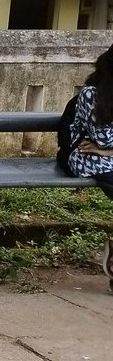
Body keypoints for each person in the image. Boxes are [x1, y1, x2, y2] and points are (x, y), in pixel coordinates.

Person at [66, 45, 113, 287]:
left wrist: (106, 149)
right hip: (88, 159)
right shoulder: (91, 94)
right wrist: (105, 150)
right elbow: (101, 137)